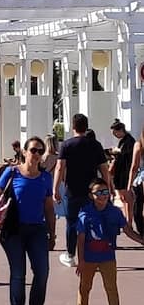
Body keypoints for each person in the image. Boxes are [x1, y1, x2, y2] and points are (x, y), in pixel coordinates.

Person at [0, 135, 55, 305]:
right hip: (14, 230)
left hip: (37, 230)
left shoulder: (45, 178)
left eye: (40, 151)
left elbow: (48, 207)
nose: (36, 154)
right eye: (33, 150)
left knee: (42, 271)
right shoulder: (12, 173)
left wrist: (52, 234)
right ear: (24, 152)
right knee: (18, 272)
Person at [75, 179, 143, 305]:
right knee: (85, 286)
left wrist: (141, 240)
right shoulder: (85, 213)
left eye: (105, 192)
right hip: (89, 257)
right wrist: (81, 260)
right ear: (91, 195)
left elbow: (128, 230)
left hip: (108, 256)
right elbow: (80, 239)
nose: (103, 195)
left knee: (111, 287)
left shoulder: (115, 212)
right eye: (99, 192)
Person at [54, 114, 110, 267]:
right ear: (86, 127)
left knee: (72, 222)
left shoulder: (66, 145)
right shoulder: (95, 145)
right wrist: (107, 188)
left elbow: (59, 167)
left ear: (73, 127)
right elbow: (104, 169)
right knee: (92, 220)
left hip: (72, 190)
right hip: (92, 190)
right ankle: (92, 254)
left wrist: (55, 188)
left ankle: (70, 255)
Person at [108, 120, 136, 221]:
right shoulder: (123, 140)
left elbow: (124, 153)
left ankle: (129, 220)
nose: (114, 135)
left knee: (127, 198)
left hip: (125, 172)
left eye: (115, 133)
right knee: (123, 198)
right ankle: (126, 220)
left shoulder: (129, 141)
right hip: (120, 172)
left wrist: (116, 151)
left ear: (120, 130)